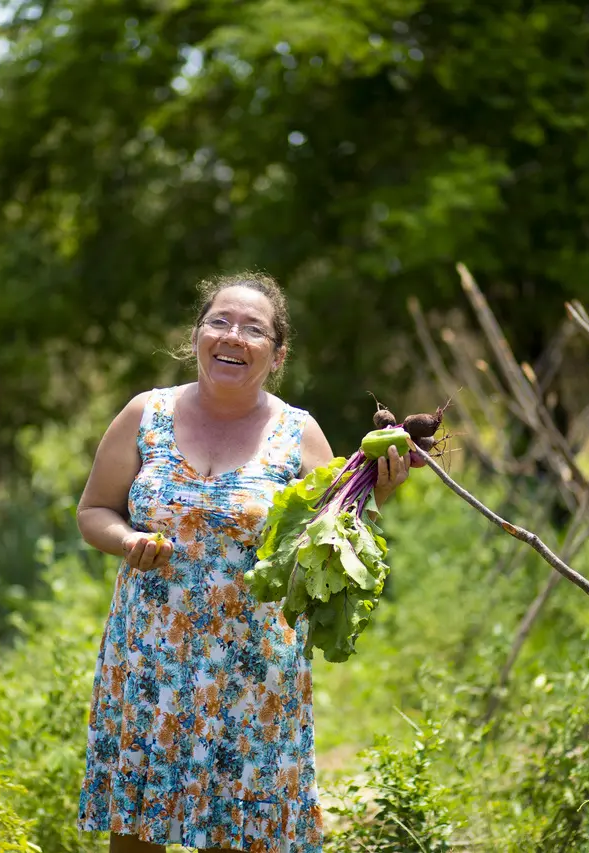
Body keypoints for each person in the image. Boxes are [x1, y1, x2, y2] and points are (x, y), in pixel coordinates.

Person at [75, 272, 416, 853]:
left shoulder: (297, 432)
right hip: (151, 658)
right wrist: (128, 541)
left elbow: (330, 541)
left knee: (239, 833)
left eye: (253, 329)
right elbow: (94, 510)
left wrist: (374, 495)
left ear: (276, 354)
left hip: (253, 669)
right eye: (219, 321)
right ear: (197, 335)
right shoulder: (144, 414)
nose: (233, 335)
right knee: (135, 835)